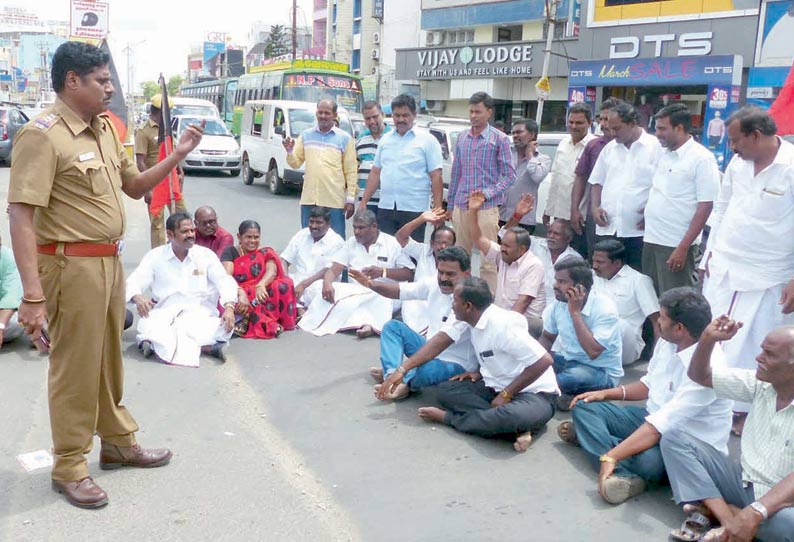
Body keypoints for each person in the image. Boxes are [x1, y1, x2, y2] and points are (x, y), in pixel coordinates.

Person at [8, 41, 204, 508]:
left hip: (108, 263)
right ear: (71, 81)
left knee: (108, 360)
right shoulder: (43, 135)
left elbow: (134, 187)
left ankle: (116, 442)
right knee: (74, 366)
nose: (110, 88)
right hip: (68, 265)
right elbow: (20, 215)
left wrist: (177, 155)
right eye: (102, 80)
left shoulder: (105, 129)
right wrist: (32, 294)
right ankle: (70, 464)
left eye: (109, 79)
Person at [559, 288, 732, 506]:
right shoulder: (667, 342)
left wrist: (611, 456)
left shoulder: (709, 369)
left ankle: (604, 450)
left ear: (679, 328)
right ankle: (620, 468)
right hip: (650, 419)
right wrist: (605, 394)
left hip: (683, 442)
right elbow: (648, 385)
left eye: (662, 317)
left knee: (647, 463)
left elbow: (662, 425)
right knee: (585, 406)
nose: (657, 322)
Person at [701, 106, 794, 435]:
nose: (732, 148)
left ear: (757, 136)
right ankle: (710, 401)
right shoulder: (737, 166)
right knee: (717, 335)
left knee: (757, 344)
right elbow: (722, 206)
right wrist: (708, 254)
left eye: (736, 140)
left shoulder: (791, 165)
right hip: (726, 266)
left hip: (771, 275)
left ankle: (747, 411)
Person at [660, 318, 794, 542]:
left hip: (778, 501)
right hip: (740, 480)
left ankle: (718, 511)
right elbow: (700, 376)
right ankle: (729, 520)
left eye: (769, 354)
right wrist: (707, 340)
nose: (758, 358)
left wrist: (758, 510)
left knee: (789, 526)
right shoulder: (761, 384)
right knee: (674, 438)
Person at [411, 277, 560, 452]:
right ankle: (516, 429)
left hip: (535, 394)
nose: (452, 305)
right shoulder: (470, 318)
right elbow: (495, 355)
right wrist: (479, 373)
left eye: (455, 301)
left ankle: (451, 419)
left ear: (468, 306)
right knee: (446, 390)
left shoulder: (502, 326)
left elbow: (544, 361)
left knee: (512, 416)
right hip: (495, 386)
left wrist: (506, 394)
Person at [351, 246, 475, 400]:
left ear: (467, 273)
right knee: (393, 327)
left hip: (455, 362)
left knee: (428, 370)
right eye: (440, 272)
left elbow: (441, 341)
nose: (443, 278)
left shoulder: (470, 300)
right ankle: (391, 377)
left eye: (450, 274)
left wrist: (403, 369)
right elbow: (400, 290)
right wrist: (370, 284)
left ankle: (404, 384)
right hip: (429, 348)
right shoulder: (434, 284)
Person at [127, 213, 236, 367]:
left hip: (200, 315)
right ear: (170, 234)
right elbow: (134, 281)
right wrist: (138, 298)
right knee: (147, 324)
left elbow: (224, 281)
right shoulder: (155, 257)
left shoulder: (205, 256)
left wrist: (229, 307)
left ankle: (153, 346)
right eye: (185, 232)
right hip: (165, 315)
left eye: (192, 231)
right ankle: (208, 347)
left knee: (221, 327)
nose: (191, 235)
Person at [298, 210, 415, 338]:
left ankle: (370, 326)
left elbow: (409, 273)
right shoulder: (351, 243)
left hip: (382, 291)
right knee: (319, 286)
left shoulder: (392, 244)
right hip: (355, 291)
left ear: (374, 227)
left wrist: (383, 272)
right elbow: (334, 268)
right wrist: (327, 283)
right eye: (354, 227)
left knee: (379, 297)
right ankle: (358, 322)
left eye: (361, 228)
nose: (356, 232)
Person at [643, 104, 720, 295]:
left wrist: (683, 247)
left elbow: (706, 206)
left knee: (676, 303)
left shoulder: (701, 158)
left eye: (662, 129)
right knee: (650, 300)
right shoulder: (663, 154)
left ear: (679, 128)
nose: (657, 133)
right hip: (652, 239)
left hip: (675, 245)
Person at [447, 92, 516, 292]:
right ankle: (460, 297)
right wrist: (450, 205)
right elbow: (456, 173)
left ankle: (488, 302)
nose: (474, 116)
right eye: (471, 111)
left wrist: (487, 193)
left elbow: (509, 175)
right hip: (461, 206)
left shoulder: (500, 139)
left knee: (489, 260)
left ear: (489, 112)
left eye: (478, 111)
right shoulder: (461, 138)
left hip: (486, 208)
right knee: (460, 257)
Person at [589, 101, 663, 270]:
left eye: (617, 128)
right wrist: (594, 207)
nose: (612, 133)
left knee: (639, 279)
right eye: (609, 128)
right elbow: (596, 181)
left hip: (639, 231)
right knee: (608, 278)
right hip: (609, 228)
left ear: (632, 123)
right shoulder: (610, 149)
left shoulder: (656, 147)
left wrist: (652, 211)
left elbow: (664, 186)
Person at [359, 94, 444, 238]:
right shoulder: (385, 140)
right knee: (386, 255)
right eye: (397, 115)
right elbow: (375, 172)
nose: (400, 119)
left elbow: (436, 176)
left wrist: (437, 210)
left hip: (414, 210)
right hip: (386, 207)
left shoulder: (427, 140)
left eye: (405, 115)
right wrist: (364, 201)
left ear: (414, 115)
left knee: (410, 257)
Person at [540, 258, 623, 401]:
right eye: (556, 280)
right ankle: (558, 394)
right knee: (526, 366)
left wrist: (575, 313)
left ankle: (550, 392)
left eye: (562, 282)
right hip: (567, 360)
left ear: (580, 287)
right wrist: (534, 362)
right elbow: (547, 338)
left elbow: (593, 351)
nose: (555, 286)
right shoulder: (558, 304)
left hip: (599, 371)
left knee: (568, 379)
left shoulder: (605, 309)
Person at [468, 191, 545, 336]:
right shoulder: (502, 255)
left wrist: (499, 329)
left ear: (522, 250)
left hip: (524, 326)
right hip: (502, 320)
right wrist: (473, 211)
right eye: (502, 245)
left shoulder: (534, 265)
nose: (502, 248)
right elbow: (478, 238)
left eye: (507, 246)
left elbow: (522, 303)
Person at [284, 99, 357, 238]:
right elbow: (295, 163)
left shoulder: (344, 139)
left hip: (334, 200)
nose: (323, 116)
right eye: (320, 112)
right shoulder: (306, 135)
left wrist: (350, 199)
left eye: (327, 113)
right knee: (308, 239)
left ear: (334, 115)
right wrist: (289, 151)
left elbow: (351, 171)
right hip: (309, 200)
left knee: (336, 241)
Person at [220, 220, 297, 339]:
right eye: (248, 237)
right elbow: (226, 276)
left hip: (260, 289)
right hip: (239, 290)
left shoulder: (265, 252)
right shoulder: (231, 252)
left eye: (256, 237)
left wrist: (261, 285)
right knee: (246, 293)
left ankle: (271, 319)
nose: (252, 241)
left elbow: (272, 271)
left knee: (285, 283)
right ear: (239, 237)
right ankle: (263, 322)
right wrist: (240, 292)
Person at [592, 239, 660, 366]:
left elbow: (657, 321)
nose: (595, 266)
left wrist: (657, 358)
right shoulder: (592, 278)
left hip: (625, 344)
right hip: (593, 337)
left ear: (617, 263)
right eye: (594, 261)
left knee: (617, 323)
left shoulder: (639, 281)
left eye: (600, 262)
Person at [542, 102, 597, 256]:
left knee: (578, 258)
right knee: (559, 258)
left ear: (589, 123)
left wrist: (577, 212)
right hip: (560, 214)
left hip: (580, 218)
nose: (574, 126)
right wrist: (548, 209)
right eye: (571, 122)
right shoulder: (563, 143)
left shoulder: (593, 146)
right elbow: (556, 180)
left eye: (579, 123)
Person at [571, 98, 622, 259]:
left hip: (625, 219)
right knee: (596, 259)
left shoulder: (634, 146)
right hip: (596, 215)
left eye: (608, 119)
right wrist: (574, 209)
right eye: (602, 119)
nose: (604, 124)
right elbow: (580, 178)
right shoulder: (594, 145)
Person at [134, 93, 188, 249]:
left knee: (181, 218)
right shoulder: (144, 131)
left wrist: (180, 171)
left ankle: (182, 249)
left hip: (172, 182)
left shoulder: (168, 130)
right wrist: (148, 188)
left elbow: (173, 152)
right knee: (157, 225)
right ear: (157, 111)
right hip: (155, 184)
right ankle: (159, 255)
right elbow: (140, 162)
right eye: (167, 111)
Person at [395, 208, 456, 333]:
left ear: (453, 245)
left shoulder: (458, 259)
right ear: (432, 243)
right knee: (410, 302)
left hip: (443, 299)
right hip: (419, 300)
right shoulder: (422, 251)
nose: (442, 247)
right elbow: (400, 237)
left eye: (446, 243)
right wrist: (421, 219)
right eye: (439, 243)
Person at [281, 206, 345, 309]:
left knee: (319, 288)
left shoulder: (337, 241)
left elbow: (329, 270)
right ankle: (297, 311)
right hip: (297, 282)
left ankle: (299, 311)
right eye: (311, 222)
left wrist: (304, 284)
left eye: (319, 223)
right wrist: (285, 280)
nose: (314, 226)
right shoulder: (302, 234)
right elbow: (284, 260)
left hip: (319, 284)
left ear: (328, 224)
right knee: (276, 283)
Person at [498, 118, 551, 234]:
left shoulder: (542, 159)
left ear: (532, 135)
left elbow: (537, 176)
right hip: (501, 215)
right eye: (513, 133)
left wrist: (529, 155)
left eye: (519, 132)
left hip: (524, 220)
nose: (515, 136)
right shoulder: (506, 154)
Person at [355, 100, 391, 212]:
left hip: (386, 201)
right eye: (367, 118)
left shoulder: (393, 138)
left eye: (375, 117)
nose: (372, 121)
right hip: (364, 201)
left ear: (383, 115)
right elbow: (355, 168)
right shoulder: (360, 139)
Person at [0, 235, 24, 347]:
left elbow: (12, 295)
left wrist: (0, 326)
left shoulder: (9, 257)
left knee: (18, 323)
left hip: (4, 312)